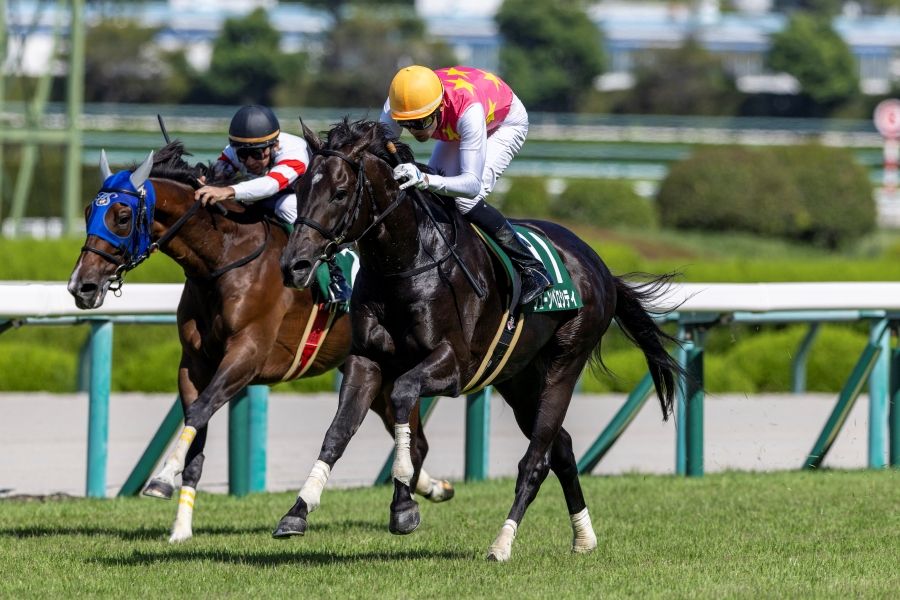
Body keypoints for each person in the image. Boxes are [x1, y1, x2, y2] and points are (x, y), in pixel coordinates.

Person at [380, 65, 552, 306]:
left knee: (463, 200)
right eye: (408, 124)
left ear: (439, 107)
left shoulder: (467, 112)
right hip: (456, 122)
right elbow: (378, 151)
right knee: (433, 196)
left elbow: (470, 185)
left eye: (421, 121)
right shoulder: (398, 103)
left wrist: (424, 178)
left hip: (503, 123)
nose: (416, 131)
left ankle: (532, 267)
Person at [196, 105, 351, 304]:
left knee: (286, 206)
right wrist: (204, 180)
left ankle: (335, 269)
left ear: (275, 146)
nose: (250, 161)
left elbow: (270, 185)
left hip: (310, 200)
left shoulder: (295, 152)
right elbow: (216, 174)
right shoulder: (234, 151)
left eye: (258, 154)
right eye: (243, 154)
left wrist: (227, 191)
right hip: (272, 195)